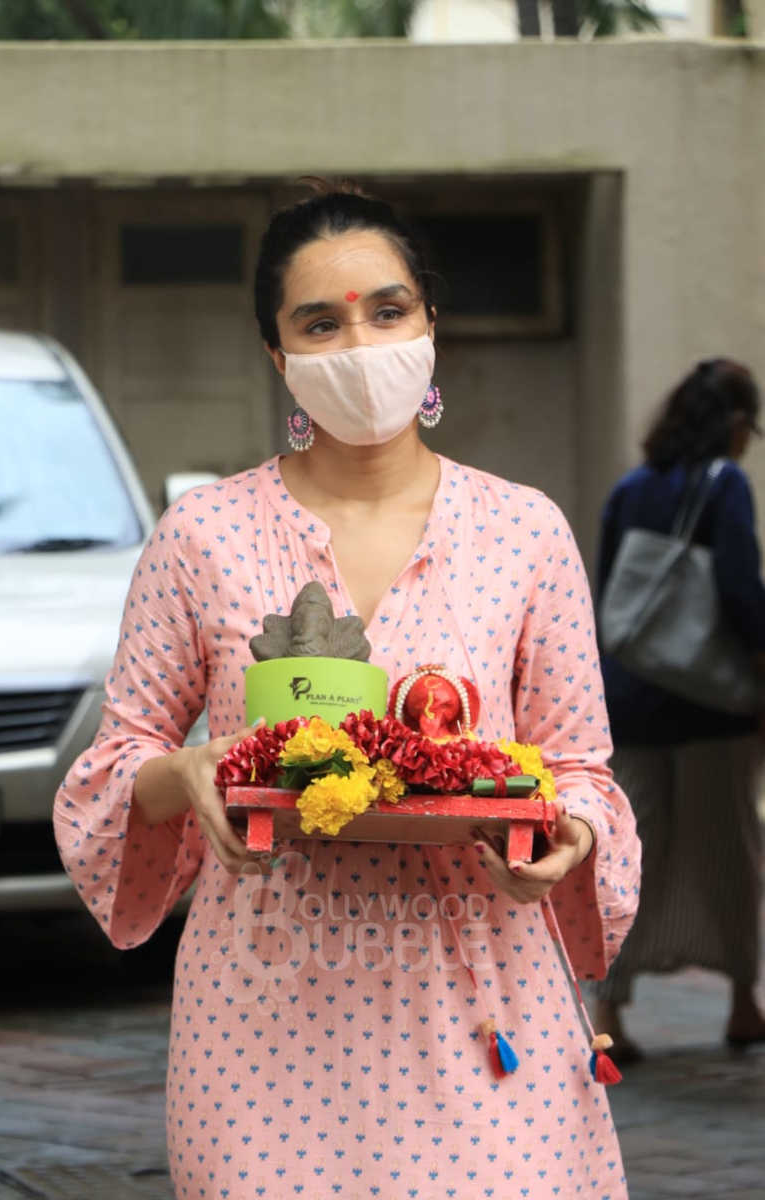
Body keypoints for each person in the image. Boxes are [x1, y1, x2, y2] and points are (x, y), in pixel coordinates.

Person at [55, 182, 640, 1199]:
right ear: (278, 355)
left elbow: (580, 766)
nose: (360, 344)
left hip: (487, 1011)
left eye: (387, 310)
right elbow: (117, 763)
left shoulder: (523, 531)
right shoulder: (203, 537)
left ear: (429, 327)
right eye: (319, 322)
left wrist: (566, 841)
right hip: (266, 1014)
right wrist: (187, 772)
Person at [593, 358, 765, 1063]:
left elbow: (606, 591)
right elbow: (737, 590)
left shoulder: (629, 488)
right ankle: (741, 1006)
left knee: (629, 857)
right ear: (732, 424)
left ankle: (610, 1010)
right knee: (726, 848)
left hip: (630, 701)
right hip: (709, 707)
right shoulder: (724, 484)